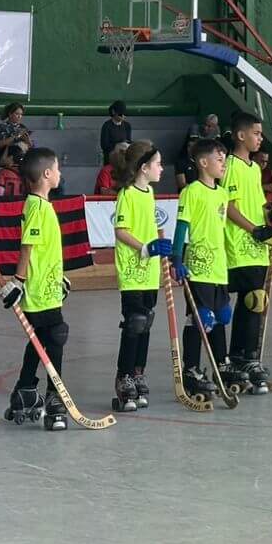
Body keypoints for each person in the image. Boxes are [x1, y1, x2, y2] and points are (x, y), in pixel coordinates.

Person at [0, 147, 72, 431]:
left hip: (48, 285)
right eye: (57, 169)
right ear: (47, 174)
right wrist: (18, 280)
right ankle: (55, 397)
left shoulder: (42, 205)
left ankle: (25, 389)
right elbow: (27, 246)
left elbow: (45, 251)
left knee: (40, 338)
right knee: (56, 335)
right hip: (39, 290)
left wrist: (59, 278)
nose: (60, 173)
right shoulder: (37, 207)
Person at [222, 111, 272, 395]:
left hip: (257, 248)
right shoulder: (230, 166)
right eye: (256, 133)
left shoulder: (253, 168)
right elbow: (228, 206)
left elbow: (258, 203)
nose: (260, 138)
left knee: (254, 302)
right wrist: (255, 230)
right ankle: (233, 359)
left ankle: (244, 356)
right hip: (238, 246)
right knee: (248, 300)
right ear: (241, 135)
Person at [109, 140, 174, 411]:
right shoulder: (127, 194)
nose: (162, 168)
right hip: (131, 270)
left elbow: (151, 227)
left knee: (146, 322)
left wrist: (160, 248)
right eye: (158, 163)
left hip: (149, 271)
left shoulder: (149, 193)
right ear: (144, 167)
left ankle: (138, 372)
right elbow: (121, 231)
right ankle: (123, 376)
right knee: (134, 322)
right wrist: (145, 248)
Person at [172, 137, 232, 395]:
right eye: (219, 160)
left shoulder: (223, 193)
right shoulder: (191, 191)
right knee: (200, 318)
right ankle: (191, 369)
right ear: (203, 162)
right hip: (198, 266)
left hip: (219, 266)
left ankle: (221, 364)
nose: (223, 164)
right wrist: (176, 258)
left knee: (221, 316)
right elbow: (181, 227)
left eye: (224, 160)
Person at [100, 100, 134, 164]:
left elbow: (129, 140)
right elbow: (104, 146)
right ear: (113, 112)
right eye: (120, 115)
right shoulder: (106, 126)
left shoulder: (127, 125)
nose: (123, 117)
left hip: (123, 159)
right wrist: (117, 146)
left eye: (124, 114)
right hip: (110, 159)